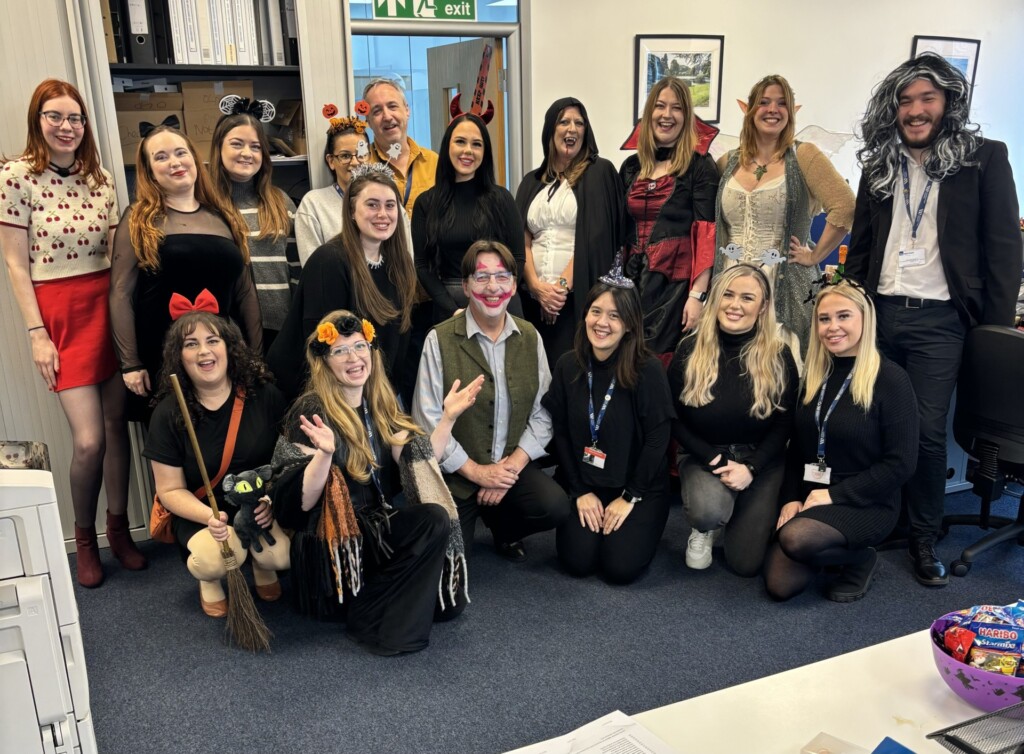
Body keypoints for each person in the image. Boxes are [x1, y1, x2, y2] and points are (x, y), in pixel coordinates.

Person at [846, 53, 1023, 587]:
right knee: (876, 422)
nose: (915, 110)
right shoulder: (880, 164)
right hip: (880, 313)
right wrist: (852, 302)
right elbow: (862, 245)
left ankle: (925, 533)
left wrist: (989, 335)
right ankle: (890, 519)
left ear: (948, 102)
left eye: (927, 98)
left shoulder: (983, 158)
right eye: (905, 100)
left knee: (924, 432)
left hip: (941, 322)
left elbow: (1004, 250)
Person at [0, 78, 146, 587]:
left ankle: (119, 530)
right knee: (87, 442)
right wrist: (38, 333)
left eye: (75, 118)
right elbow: (16, 266)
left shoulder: (101, 179)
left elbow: (116, 253)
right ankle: (84, 538)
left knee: (116, 429)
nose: (66, 127)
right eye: (55, 117)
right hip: (59, 316)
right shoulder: (16, 177)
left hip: (107, 306)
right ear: (37, 121)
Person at [271, 311, 481, 655]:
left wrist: (448, 419)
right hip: (334, 549)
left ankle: (376, 607)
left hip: (374, 531)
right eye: (340, 351)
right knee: (429, 532)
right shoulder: (310, 410)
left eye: (360, 346)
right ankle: (379, 626)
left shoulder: (380, 402)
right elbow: (295, 508)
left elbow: (418, 462)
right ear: (324, 362)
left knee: (447, 592)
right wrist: (324, 455)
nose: (354, 358)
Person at [413, 240, 571, 560]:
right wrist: (476, 472)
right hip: (456, 475)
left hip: (509, 469)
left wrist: (509, 469)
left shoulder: (529, 337)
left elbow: (543, 412)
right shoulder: (439, 339)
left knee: (553, 506)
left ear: (514, 286)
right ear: (467, 287)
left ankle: (503, 527)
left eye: (501, 277)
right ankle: (472, 514)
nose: (493, 287)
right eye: (482, 277)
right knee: (446, 559)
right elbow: (426, 419)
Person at [764, 281, 918, 602]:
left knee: (795, 539)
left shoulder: (891, 379)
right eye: (824, 319)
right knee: (779, 585)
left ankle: (862, 557)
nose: (832, 327)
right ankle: (829, 546)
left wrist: (834, 496)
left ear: (865, 319)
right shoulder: (817, 375)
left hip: (867, 501)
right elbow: (798, 448)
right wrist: (791, 497)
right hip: (813, 494)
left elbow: (901, 464)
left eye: (843, 316)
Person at [144, 300, 290, 618]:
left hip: (256, 506)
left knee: (281, 557)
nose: (204, 352)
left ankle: (262, 565)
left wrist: (272, 500)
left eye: (212, 341)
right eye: (191, 344)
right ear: (179, 357)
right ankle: (209, 582)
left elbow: (286, 461)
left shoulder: (264, 395)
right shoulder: (169, 413)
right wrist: (208, 517)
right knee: (215, 558)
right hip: (202, 513)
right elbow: (169, 491)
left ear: (228, 347)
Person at [109, 125, 261, 423]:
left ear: (194, 159)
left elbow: (246, 292)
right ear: (150, 171)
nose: (175, 162)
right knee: (172, 451)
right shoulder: (139, 219)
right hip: (161, 357)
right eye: (161, 157)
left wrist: (255, 358)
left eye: (181, 153)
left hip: (221, 354)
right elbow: (120, 292)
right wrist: (130, 363)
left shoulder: (224, 216)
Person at [543, 272, 673, 584]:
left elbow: (659, 438)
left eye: (615, 316)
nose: (602, 323)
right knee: (578, 561)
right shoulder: (567, 365)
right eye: (596, 311)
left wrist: (630, 496)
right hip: (585, 481)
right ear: (585, 314)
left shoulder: (647, 369)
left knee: (619, 568)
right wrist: (579, 490)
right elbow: (559, 431)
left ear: (629, 325)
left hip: (637, 487)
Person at [668, 264, 798, 576]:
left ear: (763, 306)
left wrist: (751, 468)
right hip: (705, 453)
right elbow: (673, 418)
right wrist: (713, 458)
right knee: (708, 512)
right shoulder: (689, 349)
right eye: (727, 294)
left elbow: (784, 424)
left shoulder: (779, 354)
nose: (734, 305)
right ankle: (706, 527)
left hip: (761, 459)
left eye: (747, 298)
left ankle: (742, 507)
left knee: (745, 563)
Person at [715, 74, 855, 361]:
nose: (772, 109)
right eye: (764, 102)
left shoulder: (804, 155)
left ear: (791, 112)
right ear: (750, 109)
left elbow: (845, 206)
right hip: (730, 285)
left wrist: (815, 256)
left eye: (782, 103)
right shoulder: (727, 161)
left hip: (786, 286)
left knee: (782, 372)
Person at [267, 165, 417, 401]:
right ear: (351, 211)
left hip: (376, 391)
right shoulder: (330, 262)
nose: (383, 214)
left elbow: (400, 340)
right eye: (372, 204)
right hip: (328, 393)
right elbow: (323, 350)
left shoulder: (400, 264)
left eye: (390, 205)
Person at [515, 97, 623, 371]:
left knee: (571, 371)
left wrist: (559, 290)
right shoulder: (531, 181)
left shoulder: (600, 173)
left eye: (579, 123)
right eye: (564, 122)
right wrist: (538, 289)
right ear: (551, 130)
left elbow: (596, 237)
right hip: (533, 299)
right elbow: (521, 240)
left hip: (577, 298)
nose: (572, 129)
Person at [621, 77, 720, 358]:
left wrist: (697, 296)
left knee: (661, 365)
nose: (667, 115)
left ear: (687, 116)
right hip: (630, 283)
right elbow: (620, 230)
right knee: (627, 360)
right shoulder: (631, 167)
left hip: (675, 290)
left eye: (676, 108)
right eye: (660, 106)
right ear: (649, 113)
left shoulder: (699, 167)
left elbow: (707, 235)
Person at [413, 112, 525, 323]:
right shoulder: (426, 203)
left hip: (500, 301)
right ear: (448, 147)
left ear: (485, 152)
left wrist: (498, 295)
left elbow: (518, 258)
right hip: (451, 306)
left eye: (476, 144)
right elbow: (422, 266)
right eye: (460, 142)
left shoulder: (502, 199)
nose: (468, 151)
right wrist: (453, 310)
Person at [209, 104, 299, 352]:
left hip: (281, 327)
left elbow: (296, 268)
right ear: (219, 147)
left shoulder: (281, 202)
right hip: (226, 330)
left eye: (256, 146)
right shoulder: (205, 205)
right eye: (237, 144)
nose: (246, 153)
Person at [294, 114, 369, 264]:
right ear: (331, 161)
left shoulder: (387, 201)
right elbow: (313, 269)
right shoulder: (314, 204)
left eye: (361, 155)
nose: (354, 162)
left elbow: (403, 259)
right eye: (345, 156)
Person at [363, 77, 438, 216]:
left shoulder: (435, 163)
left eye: (392, 106)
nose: (387, 116)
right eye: (377, 111)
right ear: (368, 121)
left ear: (407, 110)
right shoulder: (361, 166)